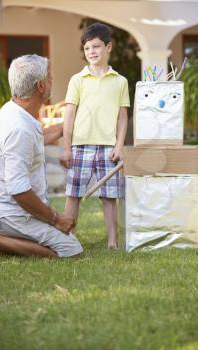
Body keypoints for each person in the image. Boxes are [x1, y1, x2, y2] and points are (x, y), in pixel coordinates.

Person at [0, 54, 83, 259]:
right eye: (50, 77)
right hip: (8, 212)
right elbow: (18, 190)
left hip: (5, 208)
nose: (52, 80)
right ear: (40, 86)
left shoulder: (14, 110)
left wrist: (68, 126)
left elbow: (35, 140)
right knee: (69, 249)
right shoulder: (19, 128)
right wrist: (56, 219)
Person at [61, 23, 130, 249]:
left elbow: (122, 118)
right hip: (80, 146)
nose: (91, 51)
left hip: (108, 147)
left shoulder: (120, 81)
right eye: (87, 47)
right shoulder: (77, 80)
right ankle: (67, 239)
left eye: (96, 46)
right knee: (74, 194)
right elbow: (69, 115)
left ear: (108, 47)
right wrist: (66, 147)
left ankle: (112, 242)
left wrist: (120, 145)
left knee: (110, 197)